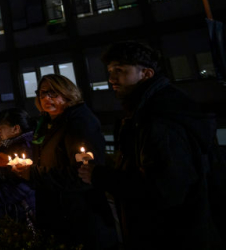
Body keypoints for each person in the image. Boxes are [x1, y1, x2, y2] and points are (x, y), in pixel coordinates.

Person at [78, 42, 222, 249]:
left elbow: (162, 190)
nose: (111, 79)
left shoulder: (159, 120)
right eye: (110, 71)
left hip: (170, 236)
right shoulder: (147, 112)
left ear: (145, 74)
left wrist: (100, 176)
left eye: (120, 71)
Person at [12, 74, 117, 250]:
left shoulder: (79, 123)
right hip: (57, 214)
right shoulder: (47, 123)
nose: (46, 98)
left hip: (81, 219)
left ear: (68, 92)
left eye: (53, 93)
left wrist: (34, 173)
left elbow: (81, 175)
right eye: (42, 93)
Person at [0, 108, 35, 222]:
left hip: (18, 213)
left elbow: (20, 187)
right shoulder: (9, 147)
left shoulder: (23, 150)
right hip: (11, 211)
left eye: (2, 126)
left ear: (16, 128)